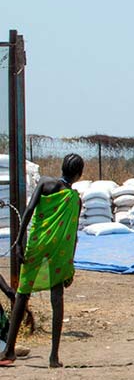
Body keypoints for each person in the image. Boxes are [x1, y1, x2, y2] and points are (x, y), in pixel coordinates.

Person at [1, 153, 85, 367]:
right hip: (59, 251)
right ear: (79, 174)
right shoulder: (75, 199)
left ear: (62, 168)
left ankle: (9, 350)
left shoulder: (45, 183)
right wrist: (70, 265)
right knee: (57, 298)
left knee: (22, 293)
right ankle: (54, 357)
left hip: (37, 244)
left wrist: (19, 242)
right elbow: (72, 235)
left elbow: (28, 211)